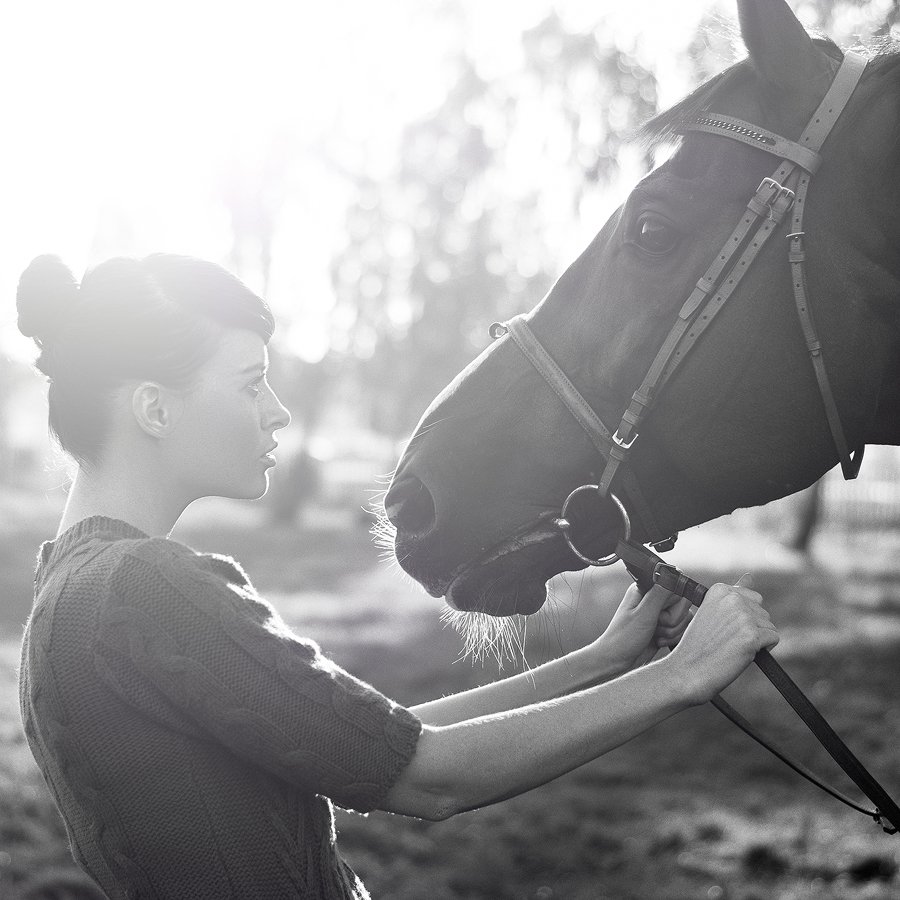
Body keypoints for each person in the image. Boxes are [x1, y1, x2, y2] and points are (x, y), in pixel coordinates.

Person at [16, 253, 778, 900]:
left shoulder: (68, 595)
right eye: (251, 384)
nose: (278, 413)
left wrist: (603, 661)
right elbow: (427, 778)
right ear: (154, 407)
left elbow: (375, 742)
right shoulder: (146, 587)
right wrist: (681, 677)